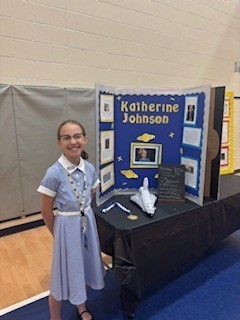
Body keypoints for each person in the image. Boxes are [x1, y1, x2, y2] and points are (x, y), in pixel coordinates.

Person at [37, 120, 105, 320]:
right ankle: (55, 316)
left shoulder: (90, 168)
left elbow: (89, 194)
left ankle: (81, 306)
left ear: (85, 139)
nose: (73, 142)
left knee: (83, 266)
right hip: (66, 228)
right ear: (59, 142)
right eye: (66, 137)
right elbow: (46, 211)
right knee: (60, 274)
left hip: (87, 224)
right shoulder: (54, 173)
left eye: (77, 136)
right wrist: (57, 233)